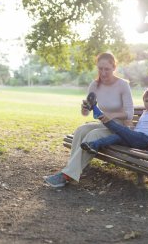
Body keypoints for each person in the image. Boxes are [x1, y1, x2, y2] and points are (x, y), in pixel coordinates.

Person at [43, 52, 134, 188]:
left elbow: (130, 113)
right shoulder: (94, 85)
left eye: (107, 69)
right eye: (100, 68)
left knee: (93, 135)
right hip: (104, 125)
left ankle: (66, 175)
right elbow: (86, 112)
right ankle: (71, 171)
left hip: (119, 129)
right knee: (80, 130)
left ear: (114, 67)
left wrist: (112, 116)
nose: (103, 73)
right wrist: (85, 109)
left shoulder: (123, 85)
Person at [81, 88, 148, 154]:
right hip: (135, 138)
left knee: (119, 129)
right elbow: (141, 127)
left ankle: (95, 109)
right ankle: (93, 146)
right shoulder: (145, 113)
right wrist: (132, 128)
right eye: (146, 101)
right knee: (117, 137)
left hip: (143, 140)